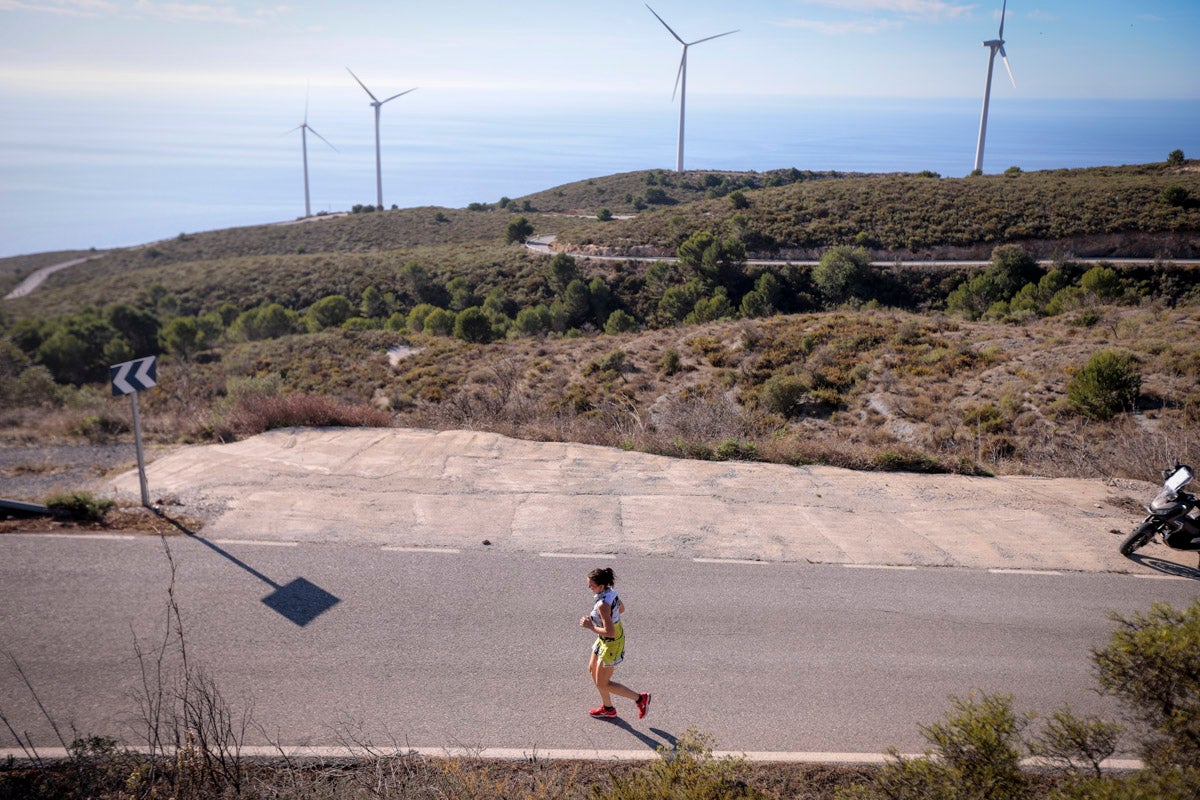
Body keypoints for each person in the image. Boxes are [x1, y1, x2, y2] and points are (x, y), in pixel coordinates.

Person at [579, 566, 651, 719]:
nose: (589, 588)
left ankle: (640, 699)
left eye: (591, 585)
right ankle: (608, 708)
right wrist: (609, 619)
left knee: (603, 683)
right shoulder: (611, 594)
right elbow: (622, 609)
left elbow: (610, 632)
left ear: (601, 586)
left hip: (611, 643)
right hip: (606, 639)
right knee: (592, 670)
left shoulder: (603, 605)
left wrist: (591, 626)